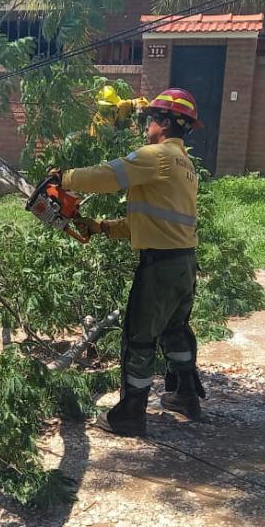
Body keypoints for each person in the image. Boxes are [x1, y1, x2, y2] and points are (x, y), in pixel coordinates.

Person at [54, 88, 206, 437]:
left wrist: (64, 179)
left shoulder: (157, 156)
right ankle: (185, 397)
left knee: (139, 338)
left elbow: (108, 175)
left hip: (160, 267)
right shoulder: (186, 167)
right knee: (175, 329)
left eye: (152, 119)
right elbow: (153, 222)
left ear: (165, 123)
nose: (147, 125)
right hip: (183, 263)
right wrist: (102, 227)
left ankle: (130, 415)